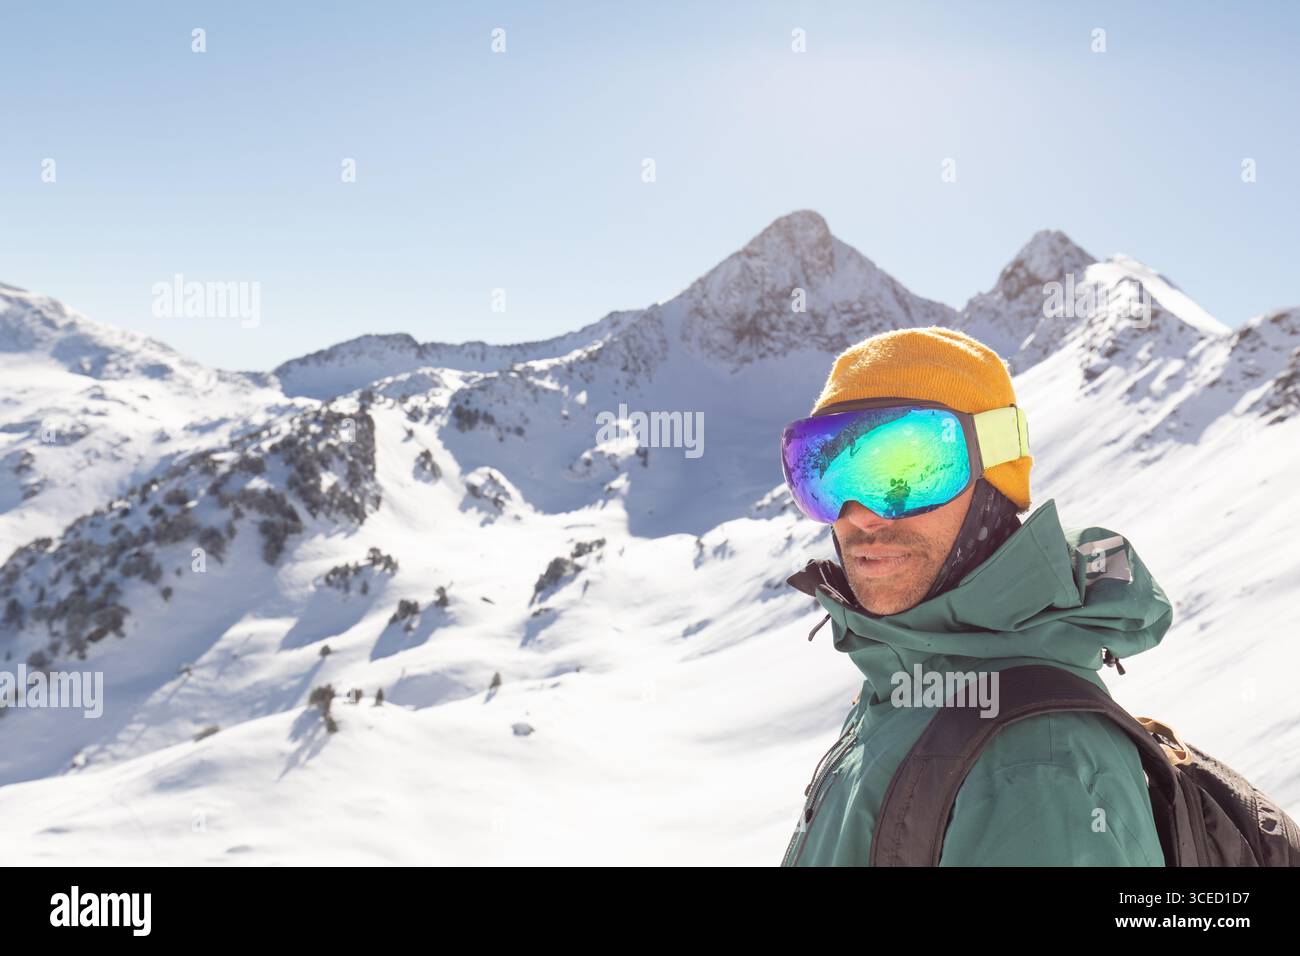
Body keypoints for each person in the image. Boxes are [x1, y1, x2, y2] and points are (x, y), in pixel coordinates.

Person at [778, 326, 1170, 866]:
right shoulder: (903, 684)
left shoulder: (1036, 767)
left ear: (993, 478)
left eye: (909, 471)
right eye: (825, 471)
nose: (861, 512)